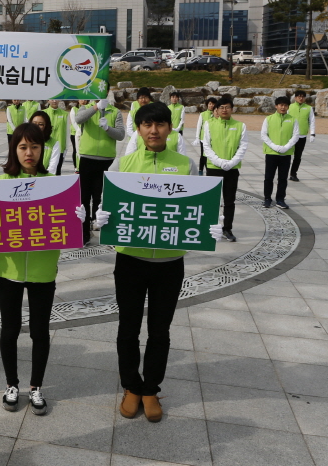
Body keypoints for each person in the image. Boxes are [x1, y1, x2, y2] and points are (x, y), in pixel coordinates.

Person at [94, 102, 223, 422]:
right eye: (147, 125)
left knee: (160, 329)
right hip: (130, 260)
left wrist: (212, 224)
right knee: (128, 327)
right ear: (138, 129)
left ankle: (150, 388)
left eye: (160, 124)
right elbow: (106, 205)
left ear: (170, 127)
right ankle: (131, 386)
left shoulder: (185, 165)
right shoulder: (122, 166)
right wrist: (101, 217)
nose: (154, 130)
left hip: (169, 262)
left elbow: (199, 206)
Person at [0, 123, 88, 416]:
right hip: (8, 271)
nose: (29, 153)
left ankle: (35, 386)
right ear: (13, 150)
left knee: (40, 331)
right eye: (22, 147)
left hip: (44, 271)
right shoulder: (0, 183)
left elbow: (69, 234)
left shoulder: (54, 184)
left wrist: (78, 220)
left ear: (42, 149)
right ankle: (11, 384)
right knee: (9, 330)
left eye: (34, 146)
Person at [74, 98, 125, 244]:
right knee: (84, 198)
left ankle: (103, 231)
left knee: (101, 198)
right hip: (87, 159)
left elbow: (121, 135)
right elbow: (78, 119)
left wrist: (108, 128)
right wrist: (96, 107)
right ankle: (84, 233)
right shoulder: (86, 108)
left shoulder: (115, 112)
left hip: (106, 160)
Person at [202, 95, 247, 242]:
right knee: (212, 200)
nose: (224, 110)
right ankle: (209, 228)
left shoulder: (241, 126)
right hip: (214, 167)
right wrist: (219, 161)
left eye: (227, 107)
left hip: (232, 169)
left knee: (229, 201)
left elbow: (243, 146)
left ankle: (227, 229)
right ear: (216, 109)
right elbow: (206, 145)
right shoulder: (209, 124)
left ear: (232, 109)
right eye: (221, 107)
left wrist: (232, 162)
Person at [261, 96, 299, 209]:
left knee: (283, 178)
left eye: (285, 105)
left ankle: (280, 199)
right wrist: (274, 146)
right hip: (271, 153)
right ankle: (267, 198)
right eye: (281, 105)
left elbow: (296, 135)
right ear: (276, 106)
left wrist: (286, 147)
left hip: (285, 154)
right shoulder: (269, 119)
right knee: (269, 177)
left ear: (288, 107)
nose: (283, 107)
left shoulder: (293, 119)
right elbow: (264, 134)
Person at [288, 90, 316, 182]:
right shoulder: (290, 107)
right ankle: (283, 172)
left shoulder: (308, 108)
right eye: (299, 96)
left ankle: (293, 173)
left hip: (302, 136)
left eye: (303, 96)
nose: (301, 98)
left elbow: (312, 121)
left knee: (298, 156)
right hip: (290, 135)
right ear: (295, 97)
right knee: (286, 155)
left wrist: (312, 133)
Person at [42, 100, 69, 175]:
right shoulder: (43, 113)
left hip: (59, 148)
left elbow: (67, 132)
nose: (54, 101)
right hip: (45, 147)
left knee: (57, 172)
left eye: (56, 99)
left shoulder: (65, 114)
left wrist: (66, 148)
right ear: (48, 100)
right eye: (52, 99)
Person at [194, 97, 218, 176]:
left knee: (210, 154)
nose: (211, 105)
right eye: (210, 104)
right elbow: (199, 126)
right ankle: (201, 170)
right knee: (203, 154)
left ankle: (209, 169)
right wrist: (197, 137)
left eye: (213, 104)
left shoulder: (217, 114)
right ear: (207, 105)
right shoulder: (203, 114)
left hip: (213, 138)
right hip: (203, 138)